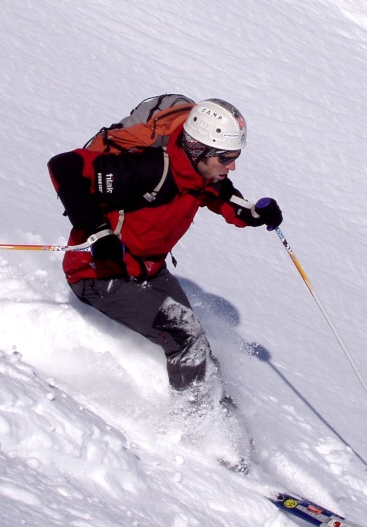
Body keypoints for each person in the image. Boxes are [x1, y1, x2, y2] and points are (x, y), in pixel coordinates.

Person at [47, 98, 282, 412]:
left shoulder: (200, 173)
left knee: (197, 341)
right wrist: (98, 233)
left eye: (235, 157)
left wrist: (252, 213)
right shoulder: (147, 169)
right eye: (226, 158)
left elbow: (220, 195)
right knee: (185, 332)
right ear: (199, 150)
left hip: (149, 269)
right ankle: (198, 428)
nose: (232, 166)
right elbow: (64, 167)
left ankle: (220, 417)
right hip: (99, 273)